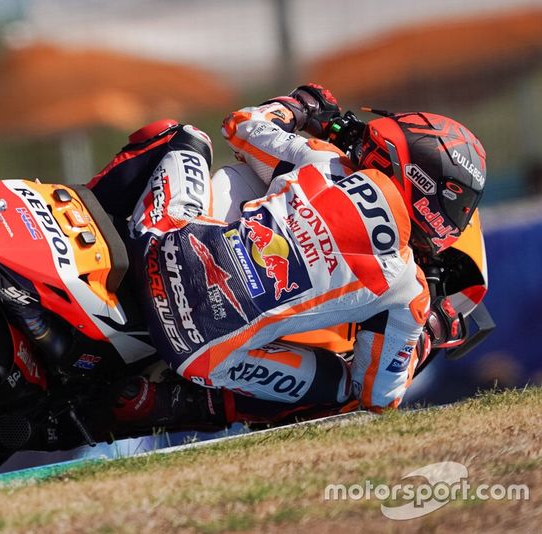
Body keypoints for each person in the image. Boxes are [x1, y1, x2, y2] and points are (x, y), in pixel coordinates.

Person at [87, 84, 486, 429]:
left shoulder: (326, 160)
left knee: (182, 136)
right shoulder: (408, 289)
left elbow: (241, 124)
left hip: (158, 254)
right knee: (346, 386)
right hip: (196, 353)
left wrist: (300, 107)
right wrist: (428, 333)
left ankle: (79, 214)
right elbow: (380, 397)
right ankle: (172, 404)